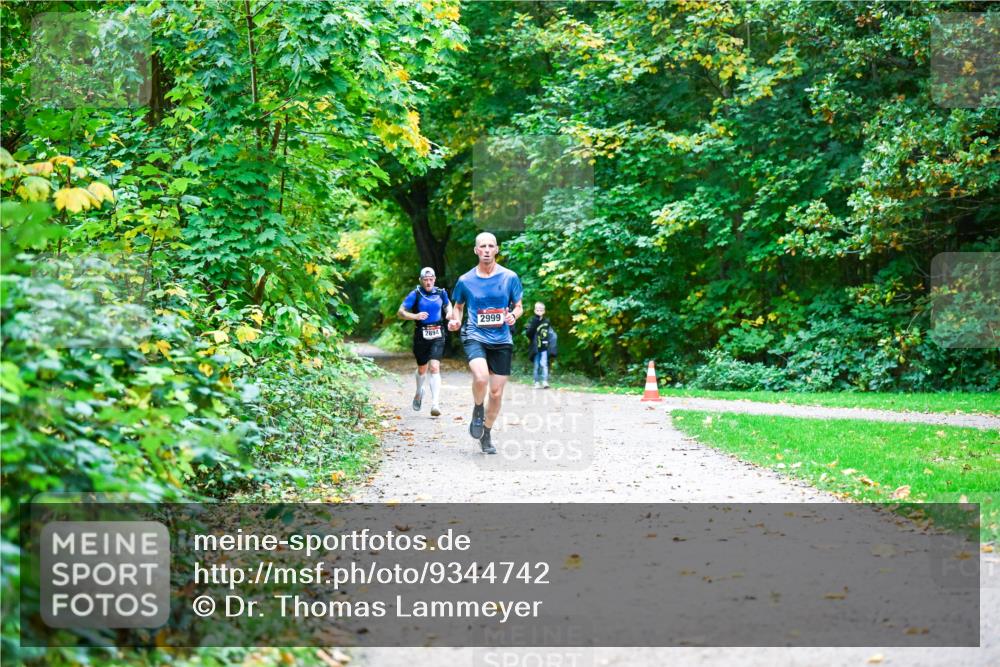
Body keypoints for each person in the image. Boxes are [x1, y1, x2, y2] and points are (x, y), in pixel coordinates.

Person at [447, 232, 523, 454]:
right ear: (476, 251)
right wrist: (455, 321)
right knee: (480, 377)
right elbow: (458, 306)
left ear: (497, 249)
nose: (487, 250)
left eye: (491, 246)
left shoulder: (510, 277)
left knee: (497, 393)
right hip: (475, 335)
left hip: (502, 339)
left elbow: (518, 306)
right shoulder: (465, 280)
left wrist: (514, 316)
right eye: (483, 246)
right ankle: (478, 410)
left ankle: (486, 433)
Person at [397, 267, 451, 417]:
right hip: (421, 333)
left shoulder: (441, 293)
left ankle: (435, 404)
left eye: (431, 279)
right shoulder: (415, 294)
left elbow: (448, 305)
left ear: (434, 279)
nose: (428, 282)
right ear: (421, 280)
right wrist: (415, 316)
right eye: (425, 280)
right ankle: (419, 391)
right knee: (422, 369)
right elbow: (400, 312)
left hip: (438, 333)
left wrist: (450, 313)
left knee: (434, 367)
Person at [525, 302, 553, 389]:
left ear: (544, 311)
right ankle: (536, 382)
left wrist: (550, 344)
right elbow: (528, 333)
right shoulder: (532, 320)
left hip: (544, 347)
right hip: (536, 347)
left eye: (541, 310)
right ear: (535, 310)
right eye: (537, 310)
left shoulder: (547, 321)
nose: (539, 311)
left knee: (544, 364)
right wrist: (536, 320)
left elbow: (550, 334)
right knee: (536, 365)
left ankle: (545, 381)